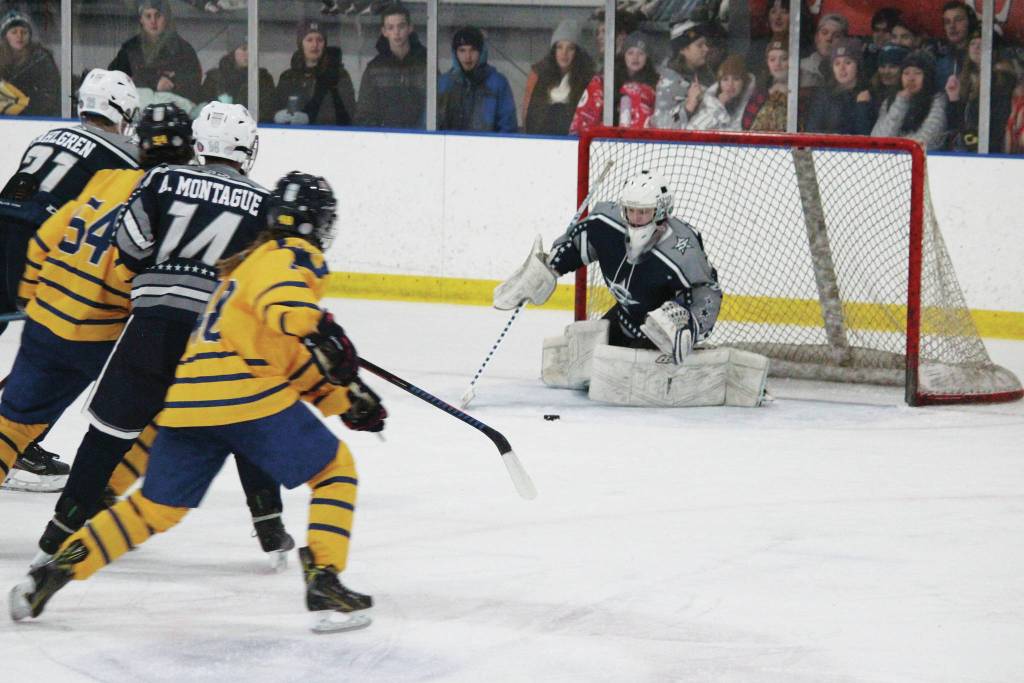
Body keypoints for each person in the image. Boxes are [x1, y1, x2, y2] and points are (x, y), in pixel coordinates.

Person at [11, 172, 387, 634]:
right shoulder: (289, 256)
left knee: (153, 508)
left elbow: (282, 351)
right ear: (318, 224)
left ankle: (53, 573)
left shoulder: (242, 266)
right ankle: (325, 577)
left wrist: (341, 398)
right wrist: (323, 328)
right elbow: (285, 306)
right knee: (335, 471)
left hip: (189, 401)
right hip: (245, 396)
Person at [30, 102, 295, 571]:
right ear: (244, 149)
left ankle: (59, 533)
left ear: (200, 145)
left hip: (152, 328)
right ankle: (269, 524)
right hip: (214, 342)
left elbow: (129, 248)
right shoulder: (266, 204)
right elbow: (267, 286)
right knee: (247, 421)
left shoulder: (159, 180)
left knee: (107, 435)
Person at [0, 103, 184, 498]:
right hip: (95, 327)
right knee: (126, 410)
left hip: (49, 307)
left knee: (17, 415)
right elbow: (139, 270)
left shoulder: (105, 177)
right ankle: (90, 502)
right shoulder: (170, 201)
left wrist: (33, 295)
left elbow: (50, 234)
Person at [0, 68, 139, 491]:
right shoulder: (126, 157)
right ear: (122, 112)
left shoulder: (48, 136)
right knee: (67, 352)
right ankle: (21, 442)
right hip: (36, 252)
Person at [108, 0, 202, 107]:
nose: (153, 21)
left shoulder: (183, 50)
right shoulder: (130, 49)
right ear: (141, 20)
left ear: (166, 18)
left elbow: (194, 85)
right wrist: (154, 82)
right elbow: (114, 79)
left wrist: (173, 85)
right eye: (148, 16)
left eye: (158, 16)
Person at [354, 2, 428, 129]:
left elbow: (438, 107)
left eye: (401, 26)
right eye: (391, 27)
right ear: (384, 31)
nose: (396, 32)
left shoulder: (426, 64)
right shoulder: (374, 69)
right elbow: (364, 115)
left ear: (410, 28)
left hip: (421, 140)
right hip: (385, 142)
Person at [570, 32, 658, 134]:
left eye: (641, 53)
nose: (635, 57)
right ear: (623, 55)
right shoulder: (605, 81)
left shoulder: (655, 84)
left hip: (640, 143)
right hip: (606, 142)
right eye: (630, 53)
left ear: (647, 57)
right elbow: (584, 120)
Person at [272, 18, 356, 126]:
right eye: (309, 40)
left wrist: (311, 119)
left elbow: (347, 113)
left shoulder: (339, 76)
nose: (315, 45)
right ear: (300, 43)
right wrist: (275, 115)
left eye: (319, 40)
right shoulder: (287, 77)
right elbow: (273, 106)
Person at [944, 31, 1016, 152]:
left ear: (994, 51)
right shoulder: (964, 79)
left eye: (983, 44)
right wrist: (954, 98)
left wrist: (972, 146)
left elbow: (997, 125)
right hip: (966, 149)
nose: (976, 47)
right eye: (973, 43)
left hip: (988, 152)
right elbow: (956, 124)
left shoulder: (1001, 80)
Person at [437, 26, 517, 133]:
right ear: (455, 53)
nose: (468, 56)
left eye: (473, 50)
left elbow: (508, 126)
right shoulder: (444, 84)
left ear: (481, 52)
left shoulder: (498, 83)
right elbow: (433, 122)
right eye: (462, 51)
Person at [523, 20, 594, 135]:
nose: (564, 53)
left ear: (577, 52)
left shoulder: (587, 81)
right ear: (553, 50)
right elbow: (530, 117)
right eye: (559, 47)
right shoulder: (539, 77)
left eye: (570, 48)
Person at [871, 50, 948, 151]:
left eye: (917, 73)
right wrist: (900, 103)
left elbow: (927, 140)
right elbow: (877, 139)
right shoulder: (892, 100)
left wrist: (894, 146)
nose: (911, 78)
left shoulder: (938, 100)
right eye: (906, 73)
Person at [199, 26, 275, 121]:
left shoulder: (263, 79)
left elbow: (267, 113)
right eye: (244, 49)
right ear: (232, 52)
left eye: (253, 48)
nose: (249, 53)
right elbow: (205, 113)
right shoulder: (214, 79)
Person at [652, 20, 715, 129]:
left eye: (705, 44)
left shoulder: (706, 75)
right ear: (682, 50)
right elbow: (661, 124)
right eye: (700, 45)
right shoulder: (669, 83)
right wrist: (687, 107)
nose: (706, 49)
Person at [805, 38, 874, 136]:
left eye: (848, 62)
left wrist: (862, 107)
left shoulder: (867, 95)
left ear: (858, 65)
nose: (842, 68)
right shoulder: (823, 95)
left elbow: (866, 135)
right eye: (837, 63)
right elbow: (811, 130)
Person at [0, 9, 59, 117]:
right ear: (5, 37)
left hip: (35, 117)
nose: (19, 36)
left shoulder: (41, 59)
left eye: (24, 32)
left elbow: (50, 96)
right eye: (14, 32)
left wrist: (25, 108)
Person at [687, 53, 756, 131]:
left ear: (744, 82)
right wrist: (718, 105)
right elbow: (692, 130)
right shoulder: (709, 102)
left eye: (736, 79)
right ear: (719, 83)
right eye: (725, 79)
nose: (730, 84)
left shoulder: (752, 103)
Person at [743, 40, 788, 132]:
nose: (777, 64)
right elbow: (746, 123)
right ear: (767, 63)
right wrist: (769, 92)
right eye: (772, 59)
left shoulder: (803, 88)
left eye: (784, 59)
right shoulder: (761, 90)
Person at [935, 1, 978, 91]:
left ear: (970, 23)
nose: (952, 26)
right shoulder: (940, 58)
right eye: (947, 22)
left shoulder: (979, 53)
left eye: (958, 20)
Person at [799, 13, 847, 88]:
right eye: (824, 33)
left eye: (836, 36)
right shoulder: (801, 67)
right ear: (816, 38)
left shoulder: (847, 71)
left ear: (844, 42)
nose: (829, 39)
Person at [869, 43, 910, 115]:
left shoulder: (909, 98)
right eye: (882, 66)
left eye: (893, 67)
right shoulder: (869, 94)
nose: (886, 71)